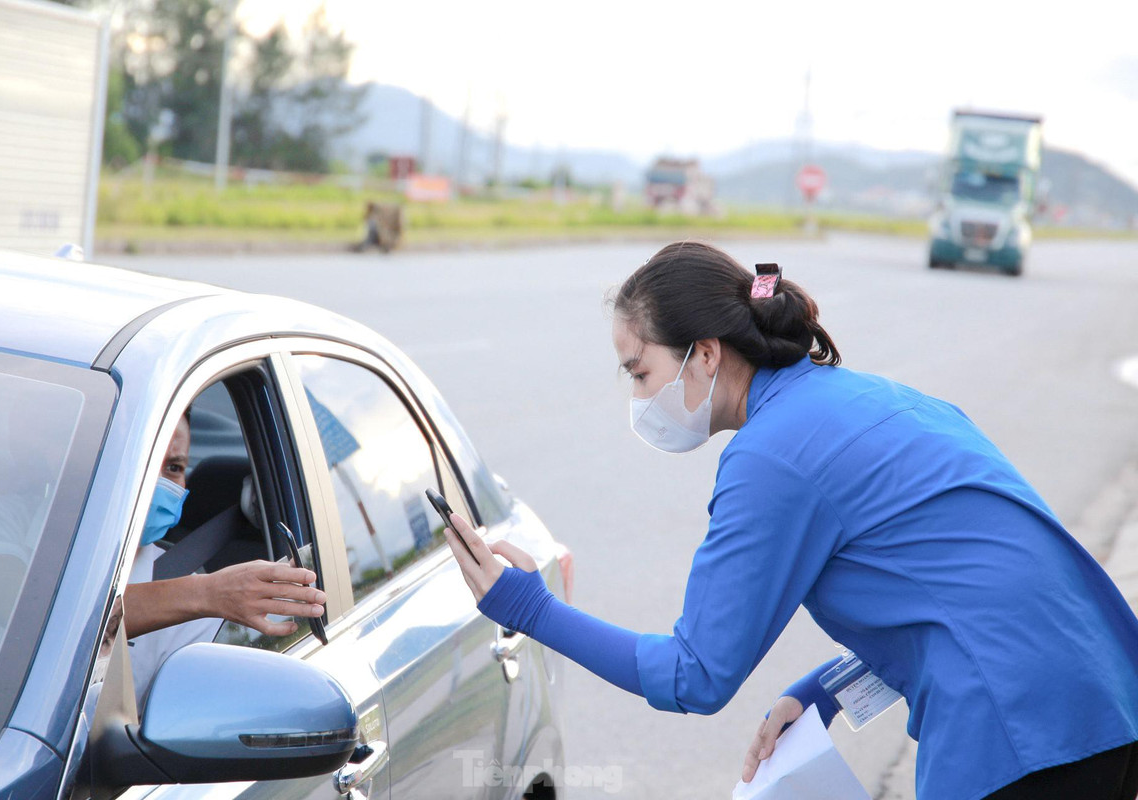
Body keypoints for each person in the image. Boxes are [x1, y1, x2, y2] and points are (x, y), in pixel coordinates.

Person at [439, 241, 1138, 800]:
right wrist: (822, 693)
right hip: (1104, 697)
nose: (636, 397)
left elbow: (694, 675)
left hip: (1016, 735)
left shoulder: (772, 456)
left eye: (639, 372)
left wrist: (528, 605)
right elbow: (952, 594)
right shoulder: (874, 396)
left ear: (705, 353)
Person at [124, 411, 326, 707]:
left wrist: (211, 595)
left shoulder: (205, 611)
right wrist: (208, 593)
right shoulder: (34, 554)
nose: (157, 481)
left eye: (174, 467)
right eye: (144, 459)